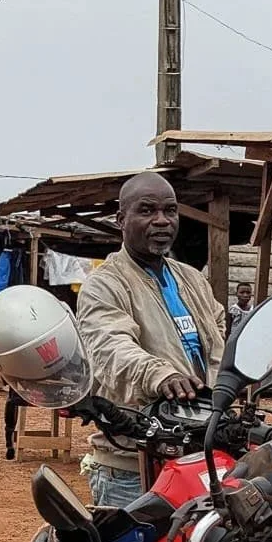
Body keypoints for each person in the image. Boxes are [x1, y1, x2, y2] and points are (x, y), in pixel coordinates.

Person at [75, 172, 227, 507]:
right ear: (121, 220)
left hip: (197, 457)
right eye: (147, 211)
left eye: (170, 211)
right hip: (133, 466)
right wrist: (160, 375)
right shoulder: (105, 285)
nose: (162, 220)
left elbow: (219, 335)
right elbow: (110, 347)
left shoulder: (192, 280)